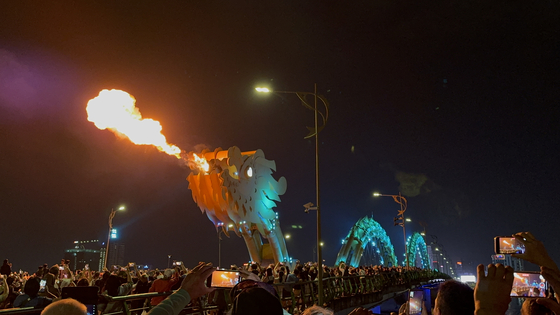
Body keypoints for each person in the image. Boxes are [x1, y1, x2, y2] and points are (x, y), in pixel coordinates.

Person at [147, 262, 215, 315]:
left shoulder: (156, 281)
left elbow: (151, 290)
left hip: (155, 303)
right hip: (165, 301)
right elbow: (176, 279)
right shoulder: (169, 282)